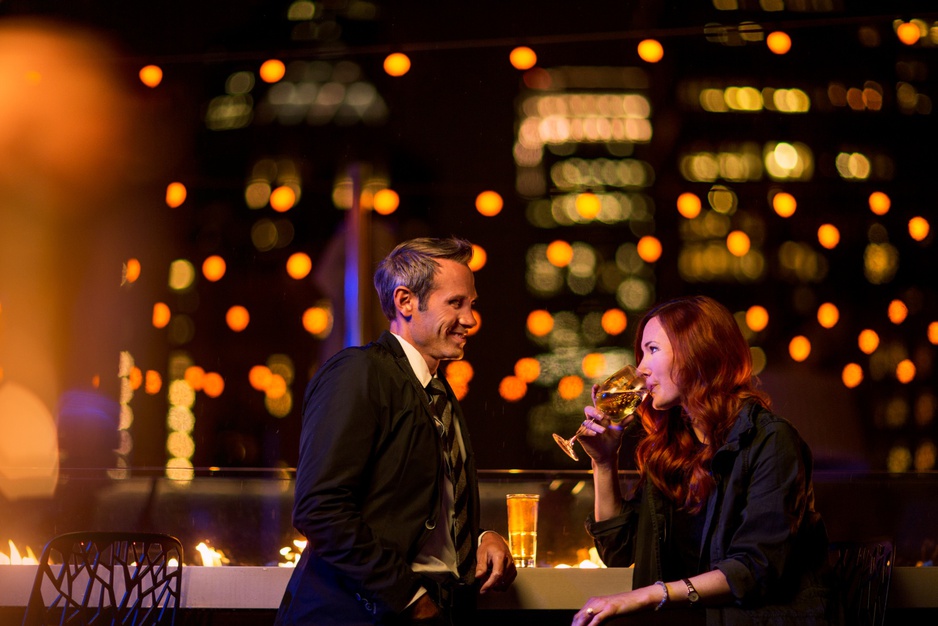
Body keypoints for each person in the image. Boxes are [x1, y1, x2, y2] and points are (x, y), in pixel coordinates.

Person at [275, 237, 516, 626]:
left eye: (471, 304)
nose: (471, 319)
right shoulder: (359, 372)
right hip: (358, 616)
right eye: (456, 303)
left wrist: (482, 536)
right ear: (405, 302)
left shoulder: (437, 391)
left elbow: (414, 508)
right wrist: (410, 598)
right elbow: (320, 510)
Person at [571, 295, 834, 626]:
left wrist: (651, 594)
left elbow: (754, 568)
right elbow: (619, 552)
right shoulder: (672, 447)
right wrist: (604, 462)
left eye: (652, 350)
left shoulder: (771, 440)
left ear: (698, 353)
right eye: (641, 354)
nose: (640, 369)